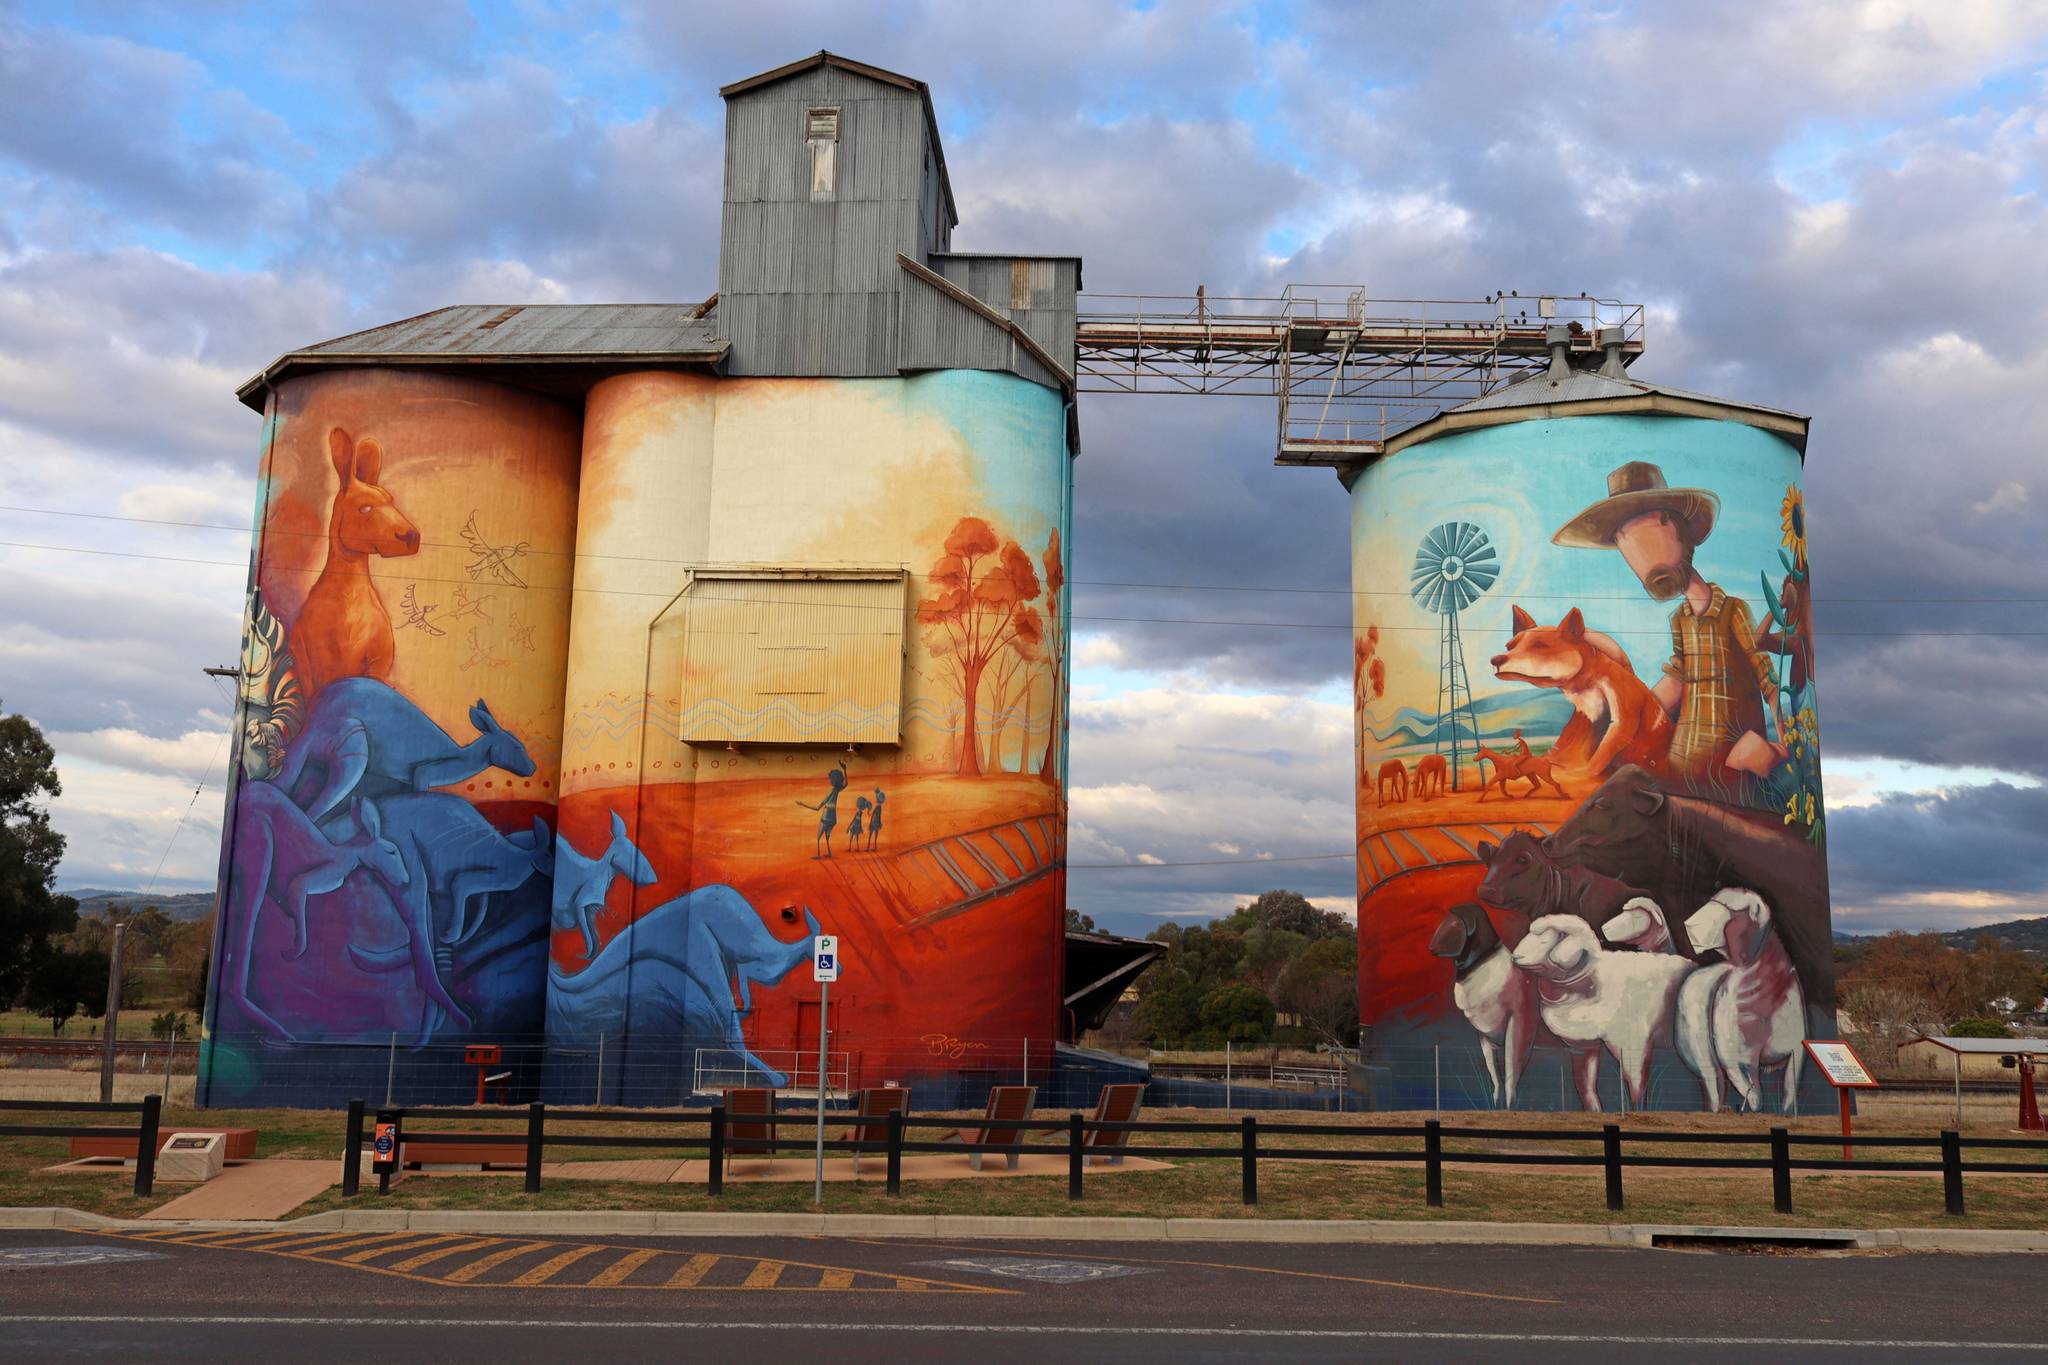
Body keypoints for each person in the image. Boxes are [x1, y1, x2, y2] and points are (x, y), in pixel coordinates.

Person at [1554, 461, 1783, 783]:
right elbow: (1677, 678)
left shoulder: (1733, 611)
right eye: (1627, 544)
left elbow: (1767, 677)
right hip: (1684, 758)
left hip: (1731, 759)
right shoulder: (1681, 620)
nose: (1643, 560)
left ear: (1675, 528)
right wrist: (1631, 715)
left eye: (1649, 536)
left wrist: (1784, 746)